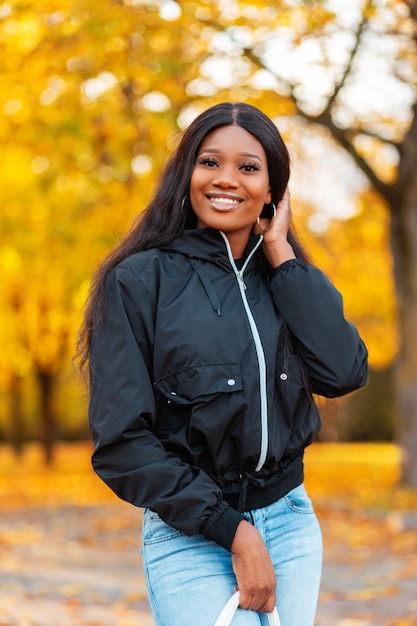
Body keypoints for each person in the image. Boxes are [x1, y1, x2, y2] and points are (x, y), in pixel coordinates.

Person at [77, 102, 368, 626]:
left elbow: (342, 372)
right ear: (186, 172)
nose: (225, 179)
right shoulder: (139, 281)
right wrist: (232, 529)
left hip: (290, 522)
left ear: (272, 189)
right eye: (210, 162)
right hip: (192, 529)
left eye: (248, 167)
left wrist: (282, 255)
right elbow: (122, 443)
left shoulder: (286, 277)